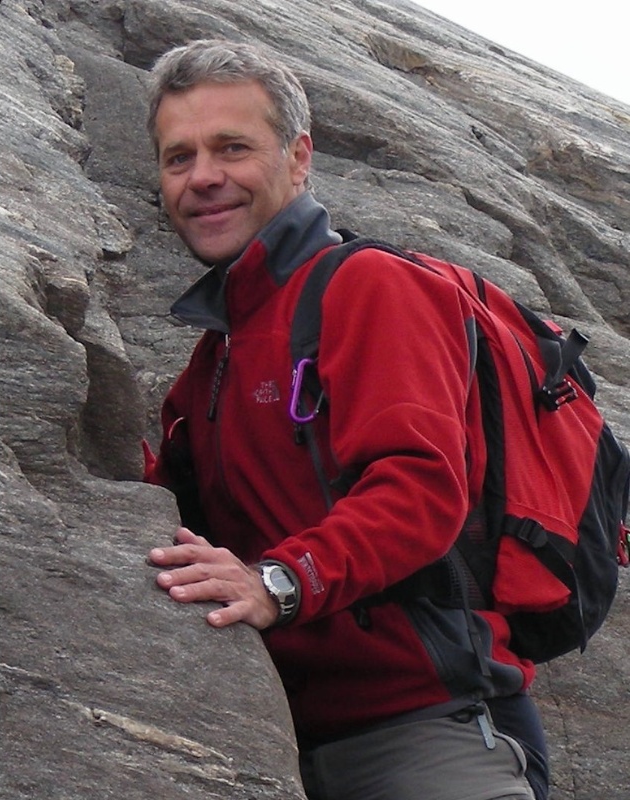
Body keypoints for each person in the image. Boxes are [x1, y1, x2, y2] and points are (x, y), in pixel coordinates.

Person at [143, 39, 549, 800]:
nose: (203, 177)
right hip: (274, 734)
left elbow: (421, 490)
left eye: (232, 148)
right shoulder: (211, 361)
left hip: (427, 734)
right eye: (179, 157)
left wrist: (278, 582)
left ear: (299, 158)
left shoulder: (370, 288)